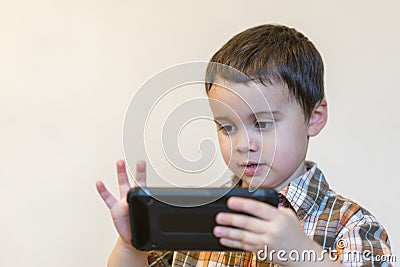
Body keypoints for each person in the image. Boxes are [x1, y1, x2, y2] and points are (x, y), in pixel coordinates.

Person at [96, 24, 392, 266]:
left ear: (314, 117)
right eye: (226, 127)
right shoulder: (196, 216)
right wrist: (132, 244)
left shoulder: (352, 226)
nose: (242, 144)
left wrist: (305, 255)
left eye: (262, 123)